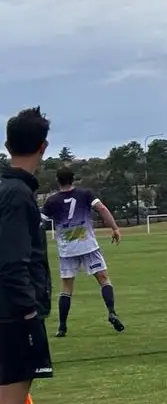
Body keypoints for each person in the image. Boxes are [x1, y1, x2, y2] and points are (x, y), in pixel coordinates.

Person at [0, 107, 55, 402]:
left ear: (8, 146)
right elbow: (11, 261)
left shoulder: (11, 189)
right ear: (43, 147)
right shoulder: (17, 194)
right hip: (14, 315)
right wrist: (29, 310)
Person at [40, 169, 124, 337]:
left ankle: (62, 327)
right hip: (88, 245)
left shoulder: (52, 201)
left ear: (58, 181)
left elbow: (39, 223)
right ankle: (111, 311)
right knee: (103, 279)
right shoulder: (85, 194)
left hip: (67, 249)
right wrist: (114, 228)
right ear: (73, 180)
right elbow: (101, 208)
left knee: (66, 288)